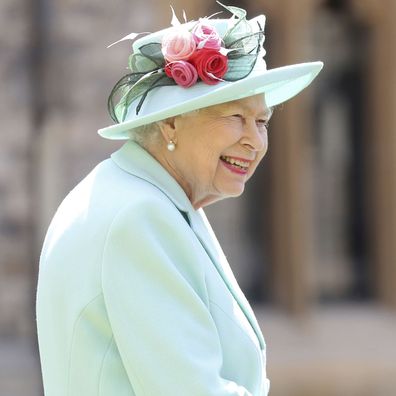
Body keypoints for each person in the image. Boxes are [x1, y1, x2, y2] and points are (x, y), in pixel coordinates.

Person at [36, 3, 323, 396]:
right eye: (235, 117)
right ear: (171, 122)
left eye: (262, 122)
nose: (254, 141)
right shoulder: (139, 216)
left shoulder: (145, 196)